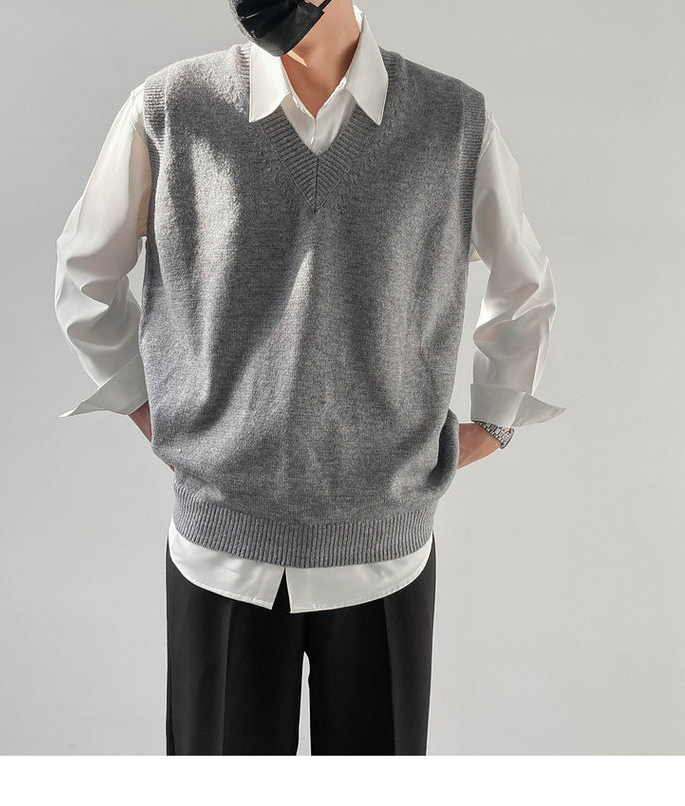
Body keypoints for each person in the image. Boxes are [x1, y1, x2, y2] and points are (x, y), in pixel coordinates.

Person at [54, 0, 566, 755]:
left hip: (385, 553)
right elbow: (86, 271)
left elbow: (523, 285)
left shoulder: (452, 122)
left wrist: (495, 420)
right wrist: (142, 403)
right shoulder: (172, 108)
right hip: (221, 549)